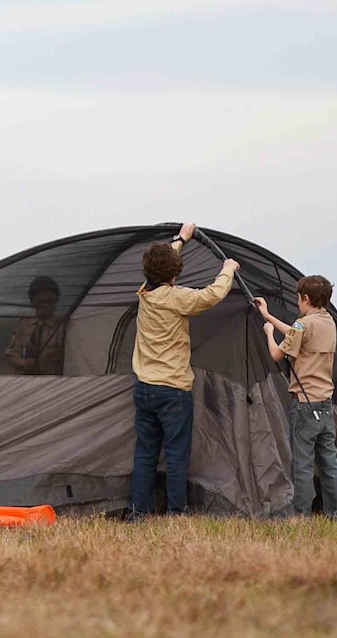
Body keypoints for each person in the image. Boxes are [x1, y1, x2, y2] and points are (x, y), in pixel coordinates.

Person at [129, 222, 237, 518]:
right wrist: (227, 268)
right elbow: (212, 295)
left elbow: (160, 268)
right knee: (176, 454)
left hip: (144, 388)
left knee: (145, 453)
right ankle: (176, 512)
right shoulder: (177, 298)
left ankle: (139, 511)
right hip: (173, 390)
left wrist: (180, 239)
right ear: (175, 274)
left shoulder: (144, 293)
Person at [255, 275, 337, 520]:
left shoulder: (303, 325)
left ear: (305, 298)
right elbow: (298, 335)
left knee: (303, 465)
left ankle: (300, 514)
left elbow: (277, 353)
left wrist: (268, 332)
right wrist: (269, 316)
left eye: (298, 299)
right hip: (325, 404)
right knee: (329, 462)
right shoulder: (328, 322)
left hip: (304, 405)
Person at [5, 275, 67, 375]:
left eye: (51, 301)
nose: (47, 306)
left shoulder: (62, 326)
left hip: (52, 380)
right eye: (41, 302)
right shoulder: (23, 325)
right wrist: (27, 364)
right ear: (32, 302)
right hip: (25, 379)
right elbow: (11, 355)